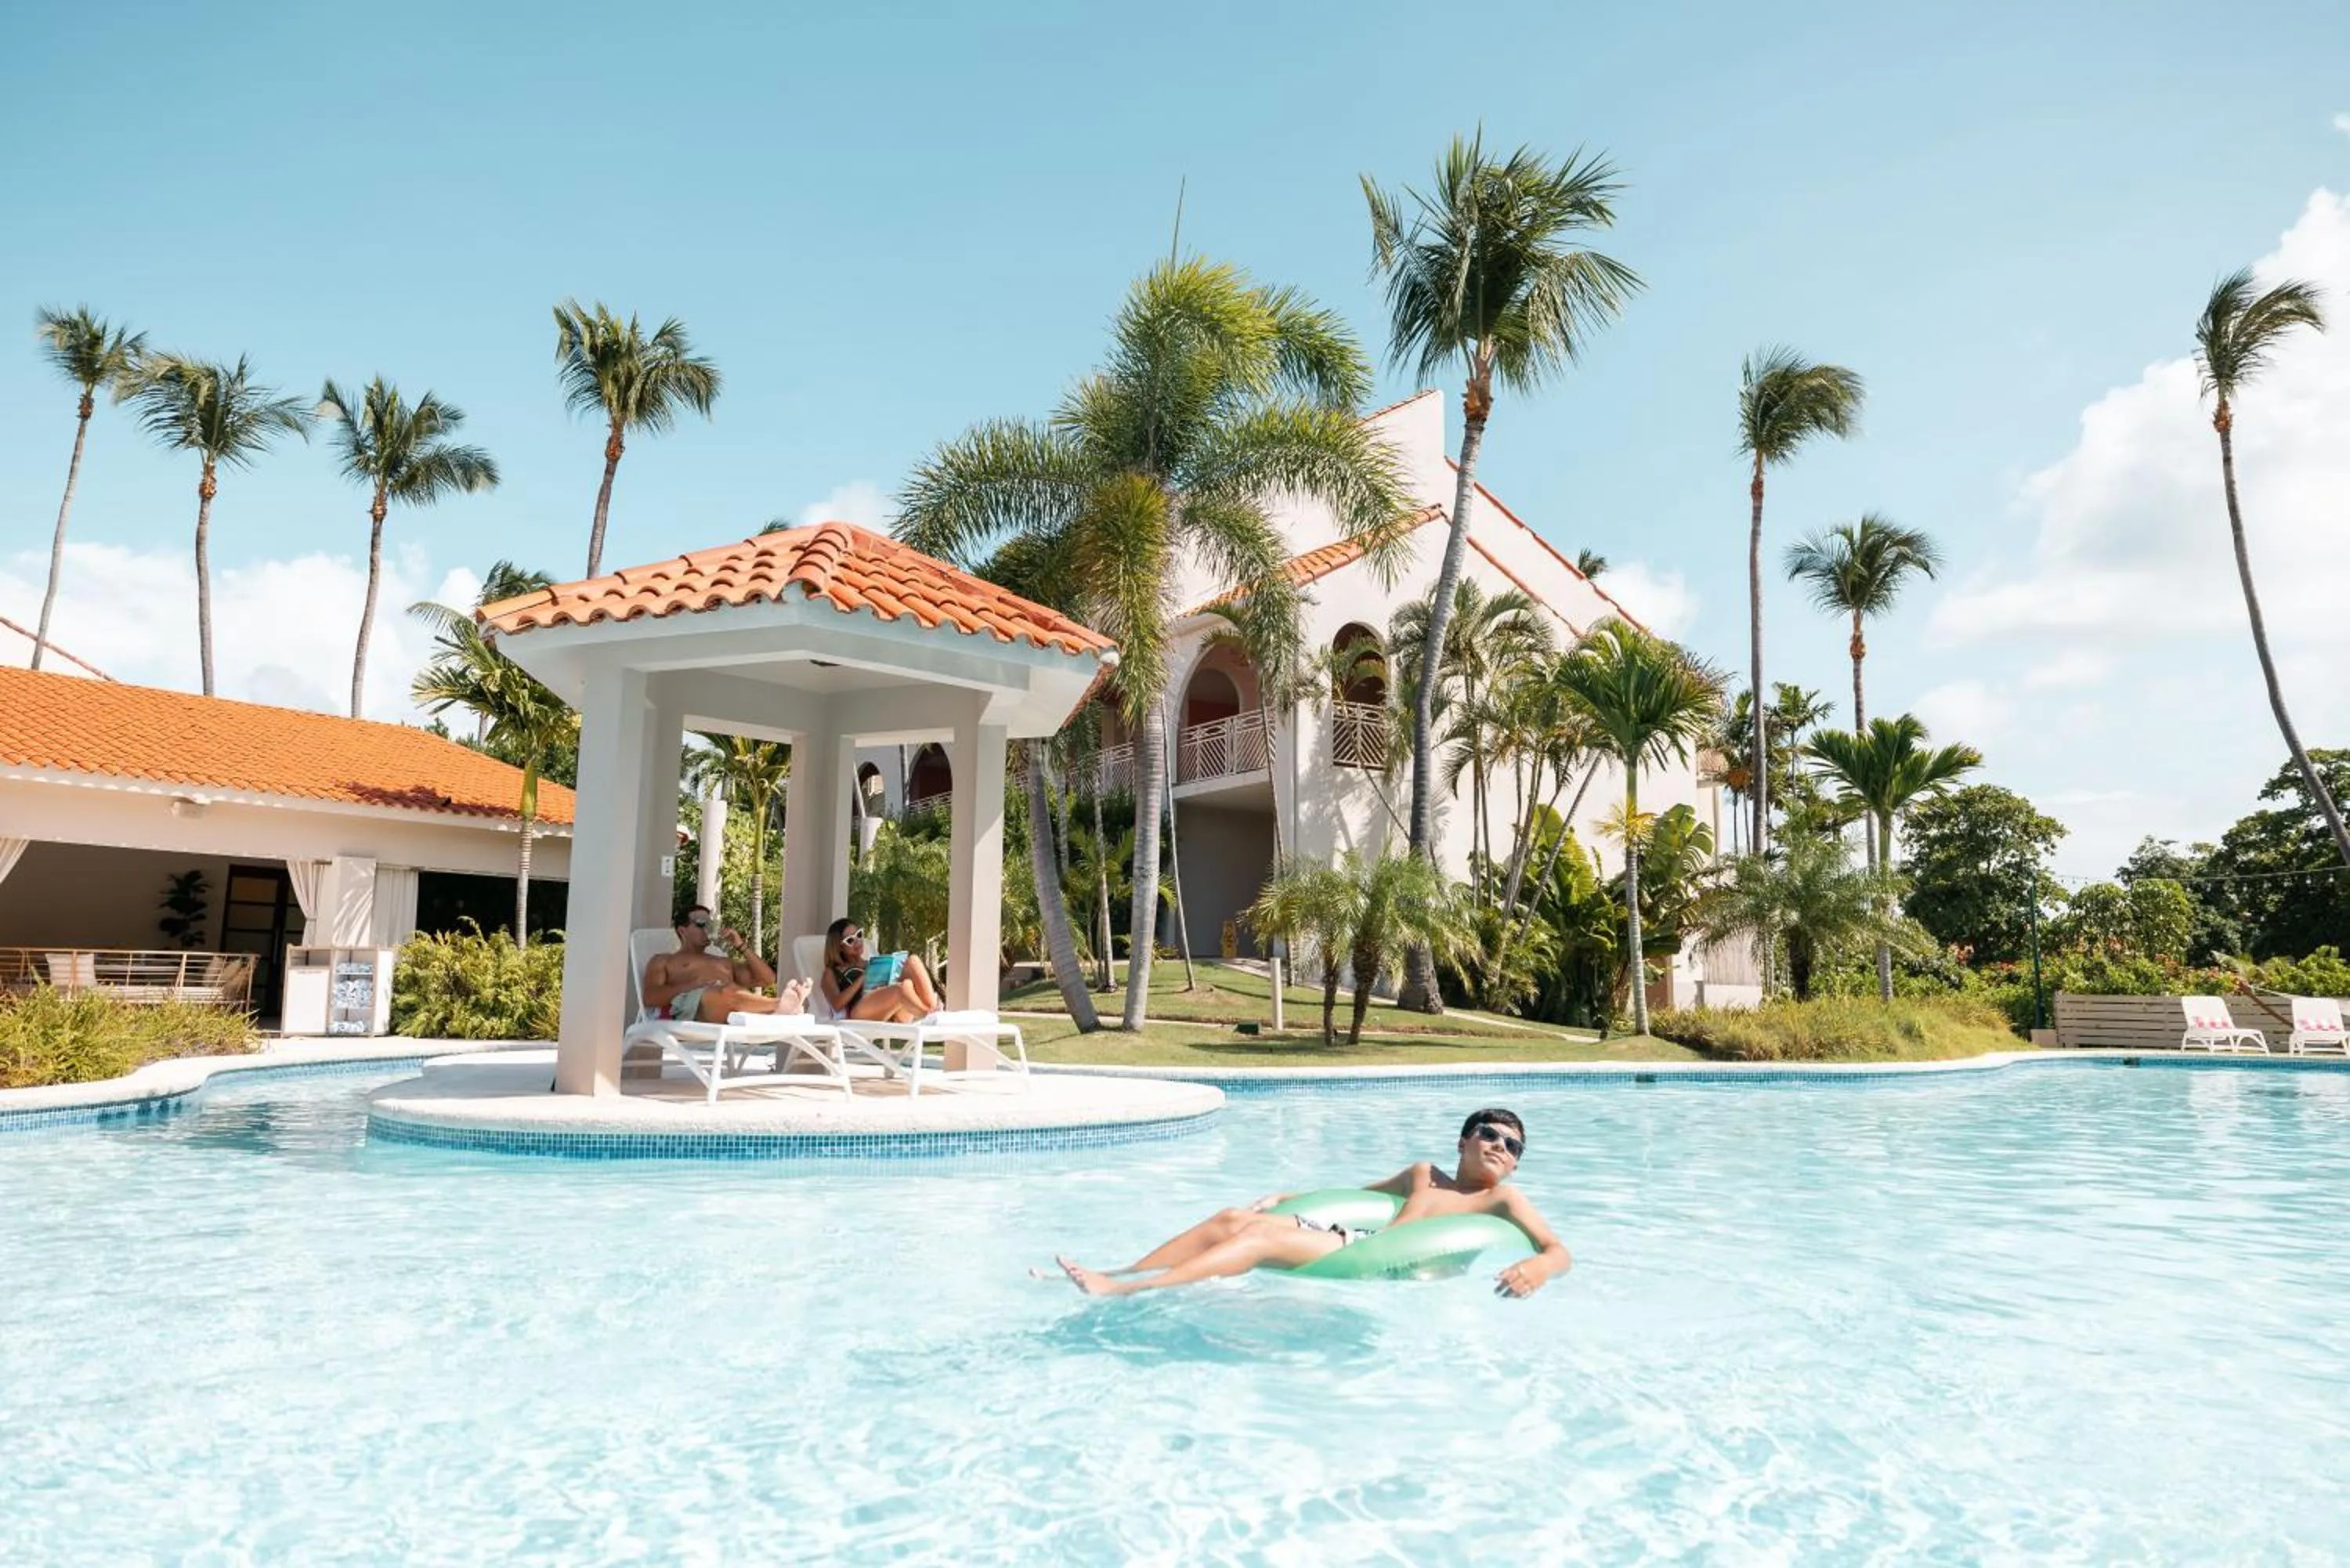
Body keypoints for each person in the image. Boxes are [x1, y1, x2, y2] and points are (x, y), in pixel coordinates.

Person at [1052, 1108, 1572, 1299]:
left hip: (1395, 1267)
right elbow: (1358, 1197)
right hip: (1365, 1242)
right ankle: (1120, 1270)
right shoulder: (1424, 1175)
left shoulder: (1502, 1200)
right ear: (1463, 1141)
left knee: (1256, 1239)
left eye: (1512, 1146)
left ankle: (1127, 1292)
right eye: (1490, 1134)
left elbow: (1557, 1249)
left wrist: (1539, 1269)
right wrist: (1287, 1198)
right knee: (1237, 1218)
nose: (1501, 1147)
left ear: (1517, 1164)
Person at [642, 905, 810, 1024]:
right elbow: (650, 998)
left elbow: (767, 979)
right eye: (702, 924)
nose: (707, 930)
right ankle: (781, 1005)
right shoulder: (664, 960)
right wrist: (694, 984)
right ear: (682, 930)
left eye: (710, 925)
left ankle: (782, 1007)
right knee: (727, 990)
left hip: (727, 1005)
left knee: (729, 990)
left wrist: (740, 945)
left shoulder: (722, 962)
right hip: (690, 1009)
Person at [817, 916, 943, 1023]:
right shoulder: (832, 972)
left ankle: (934, 1011)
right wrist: (863, 978)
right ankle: (928, 1015)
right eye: (850, 940)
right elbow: (837, 1004)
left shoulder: (871, 964)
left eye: (859, 935)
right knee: (902, 988)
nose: (858, 942)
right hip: (859, 1012)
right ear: (839, 947)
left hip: (891, 1008)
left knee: (913, 961)